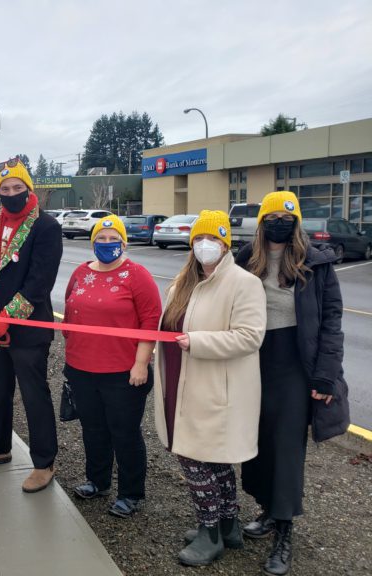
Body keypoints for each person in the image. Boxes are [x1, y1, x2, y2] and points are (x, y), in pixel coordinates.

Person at [236, 191, 347, 576]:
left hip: (295, 366)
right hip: (252, 359)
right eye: (272, 217)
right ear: (261, 221)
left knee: (286, 449)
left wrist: (325, 374)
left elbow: (331, 322)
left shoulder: (317, 264)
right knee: (257, 444)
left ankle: (284, 530)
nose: (279, 223)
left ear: (297, 221)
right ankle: (267, 509)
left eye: (287, 217)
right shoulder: (245, 260)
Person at [154, 210, 266, 567]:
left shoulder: (244, 283)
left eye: (215, 240)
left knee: (196, 459)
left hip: (214, 389)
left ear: (226, 244)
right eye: (200, 239)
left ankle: (210, 532)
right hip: (180, 383)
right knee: (210, 460)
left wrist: (197, 342)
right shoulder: (182, 283)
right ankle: (229, 525)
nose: (206, 246)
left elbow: (250, 337)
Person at [0, 157, 63, 493]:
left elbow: (40, 282)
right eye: (5, 189)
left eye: (17, 188)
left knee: (34, 395)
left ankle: (43, 462)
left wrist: (6, 318)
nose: (10, 193)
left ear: (28, 189)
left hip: (28, 327)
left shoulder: (47, 227)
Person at [63, 215, 161, 517]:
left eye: (112, 238)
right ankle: (97, 480)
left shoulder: (136, 275)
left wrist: (141, 363)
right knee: (93, 429)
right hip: (81, 368)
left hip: (122, 372)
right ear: (93, 243)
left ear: (123, 241)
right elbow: (69, 310)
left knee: (125, 432)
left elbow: (150, 320)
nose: (107, 244)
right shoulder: (80, 272)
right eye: (101, 239)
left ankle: (130, 493)